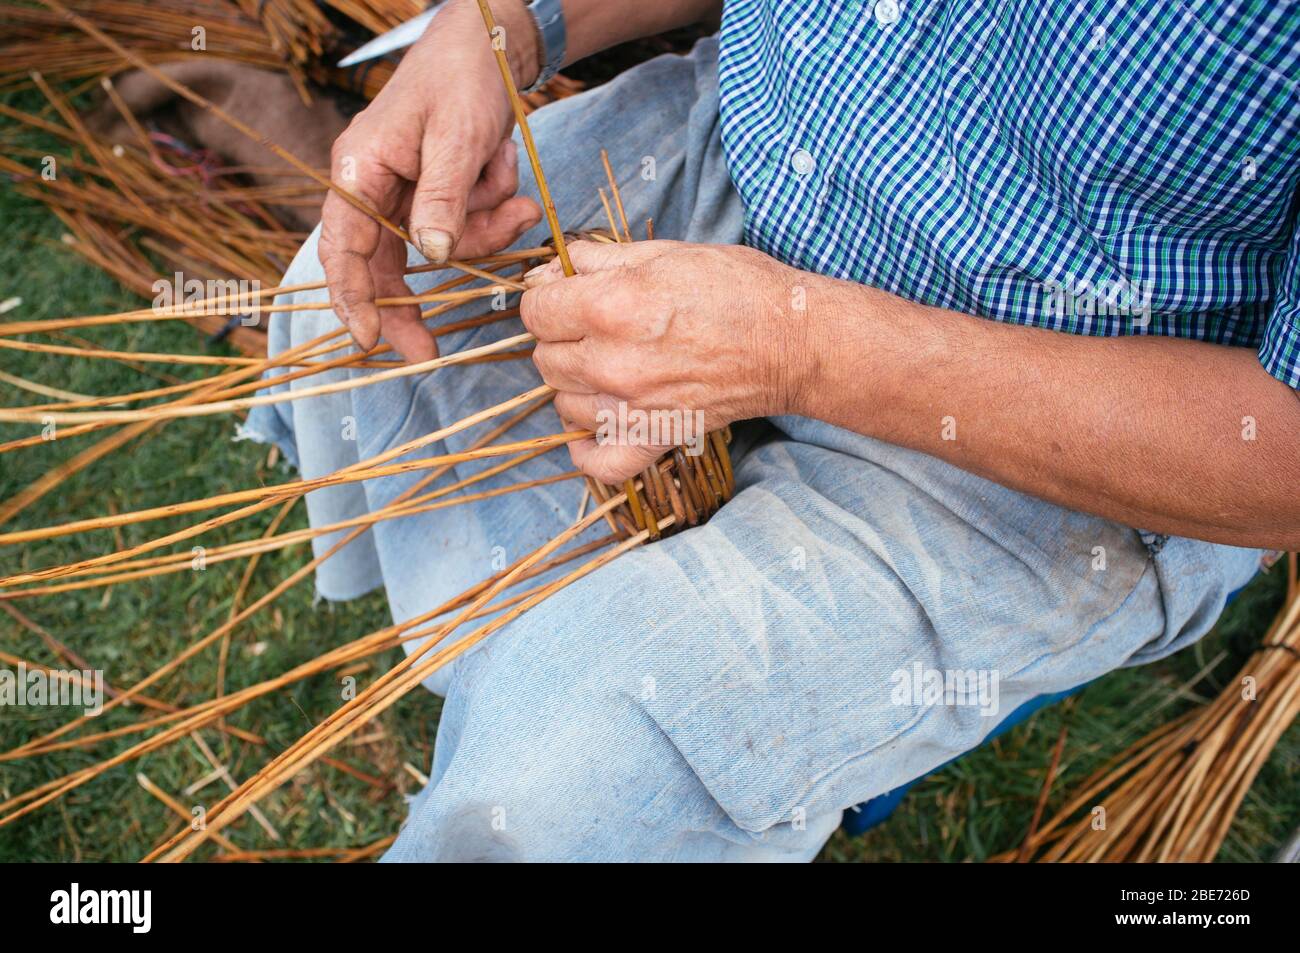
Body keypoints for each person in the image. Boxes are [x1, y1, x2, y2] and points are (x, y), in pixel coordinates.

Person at [246, 0, 1300, 861]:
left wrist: (799, 346)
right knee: (351, 319)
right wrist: (503, 27)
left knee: (557, 776)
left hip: (1058, 421)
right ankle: (507, 671)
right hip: (759, 145)